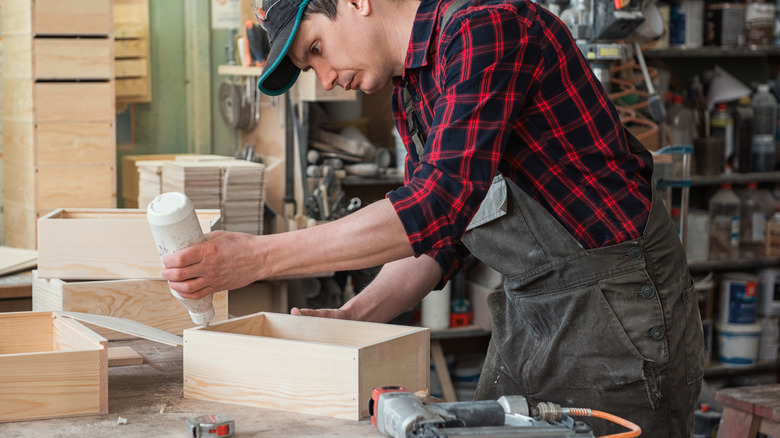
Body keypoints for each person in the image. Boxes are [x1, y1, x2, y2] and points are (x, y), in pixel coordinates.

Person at [162, 0, 705, 435]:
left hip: (616, 307)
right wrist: (356, 315)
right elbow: (444, 236)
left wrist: (258, 257)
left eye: (317, 49)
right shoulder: (411, 91)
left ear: (357, 3)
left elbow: (435, 203)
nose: (324, 78)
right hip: (532, 312)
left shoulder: (486, 27)